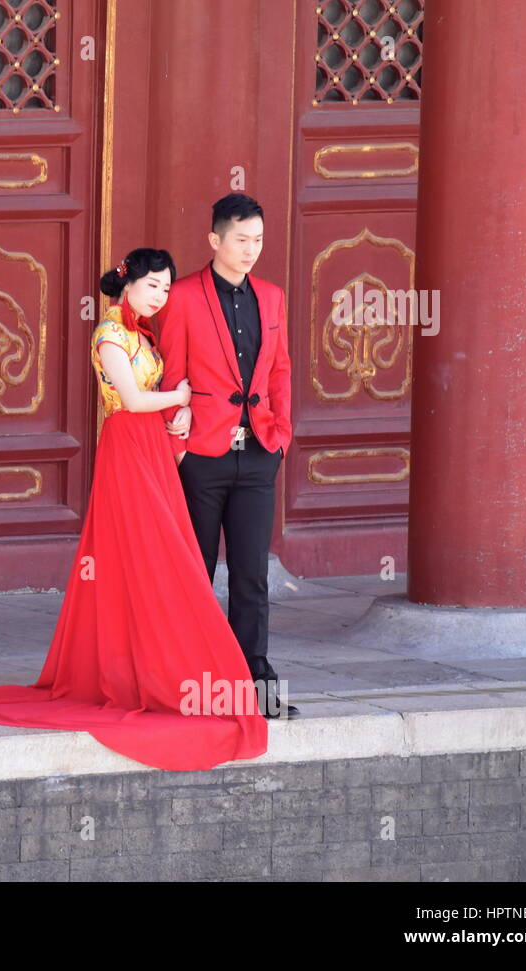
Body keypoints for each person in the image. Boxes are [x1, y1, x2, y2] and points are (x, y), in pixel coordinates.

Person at [0, 247, 268, 771]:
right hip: (127, 449)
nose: (161, 296)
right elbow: (129, 399)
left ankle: (155, 671)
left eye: (167, 288)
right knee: (155, 556)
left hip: (150, 447)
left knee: (157, 560)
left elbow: (156, 401)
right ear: (127, 287)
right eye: (153, 286)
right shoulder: (109, 336)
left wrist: (178, 414)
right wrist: (181, 399)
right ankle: (146, 676)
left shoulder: (141, 335)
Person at [159, 193, 298, 719]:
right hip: (202, 457)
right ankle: (188, 683)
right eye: (241, 239)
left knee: (250, 576)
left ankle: (253, 686)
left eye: (258, 239)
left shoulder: (272, 296)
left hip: (259, 453)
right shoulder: (184, 296)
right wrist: (179, 442)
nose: (250, 249)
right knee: (195, 573)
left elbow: (280, 371)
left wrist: (280, 437)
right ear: (215, 240)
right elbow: (171, 373)